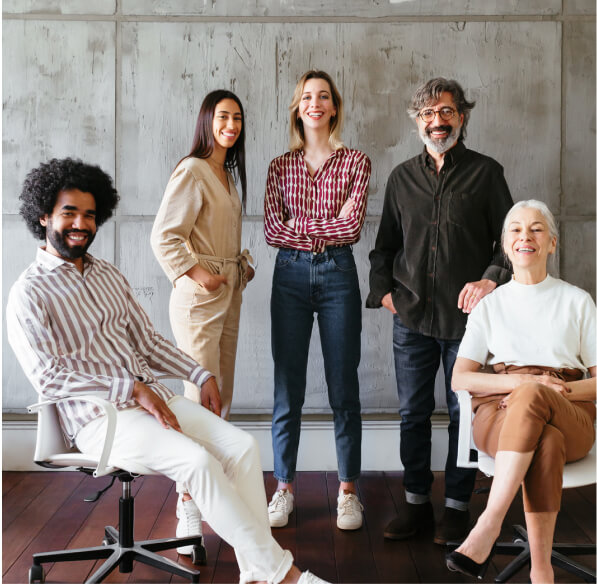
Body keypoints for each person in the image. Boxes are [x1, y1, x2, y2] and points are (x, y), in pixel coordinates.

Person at [7, 158, 329, 584]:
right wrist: (132, 388)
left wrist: (199, 374)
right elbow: (49, 377)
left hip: (155, 399)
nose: (80, 223)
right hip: (98, 420)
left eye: (89, 213)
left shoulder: (107, 274)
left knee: (243, 449)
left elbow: (148, 341)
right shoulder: (28, 292)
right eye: (69, 212)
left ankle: (256, 570)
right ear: (44, 214)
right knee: (197, 462)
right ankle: (283, 577)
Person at [367, 77, 514, 544]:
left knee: (462, 414)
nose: (437, 122)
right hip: (409, 318)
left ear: (462, 117)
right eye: (428, 115)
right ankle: (414, 507)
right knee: (411, 413)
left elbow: (509, 243)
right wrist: (385, 293)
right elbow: (383, 247)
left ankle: (454, 510)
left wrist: (490, 278)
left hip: (467, 325)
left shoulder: (487, 174)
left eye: (446, 112)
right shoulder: (400, 178)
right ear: (417, 122)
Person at [445, 200, 595, 584]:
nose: (525, 236)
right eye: (515, 229)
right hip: (500, 412)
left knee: (536, 399)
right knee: (545, 438)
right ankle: (542, 570)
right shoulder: (489, 306)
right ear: (505, 243)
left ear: (552, 244)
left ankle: (488, 525)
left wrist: (553, 391)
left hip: (569, 406)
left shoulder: (577, 301)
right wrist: (527, 384)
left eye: (536, 229)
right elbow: (460, 379)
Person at [264, 70, 371, 531]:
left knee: (343, 386)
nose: (315, 103)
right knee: (287, 388)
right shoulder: (278, 167)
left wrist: (302, 229)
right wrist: (322, 226)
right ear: (297, 107)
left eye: (323, 96)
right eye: (307, 96)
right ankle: (284, 488)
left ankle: (348, 492)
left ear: (333, 106)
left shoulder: (356, 163)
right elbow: (272, 230)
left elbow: (351, 229)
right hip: (288, 275)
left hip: (338, 275)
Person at [151, 90, 254, 550]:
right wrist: (201, 275)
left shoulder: (226, 175)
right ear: (207, 121)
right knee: (198, 396)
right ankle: (187, 504)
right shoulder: (193, 169)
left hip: (228, 295)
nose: (230, 125)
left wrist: (238, 266)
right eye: (223, 117)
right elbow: (164, 236)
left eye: (237, 118)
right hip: (199, 300)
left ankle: (214, 496)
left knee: (221, 398)